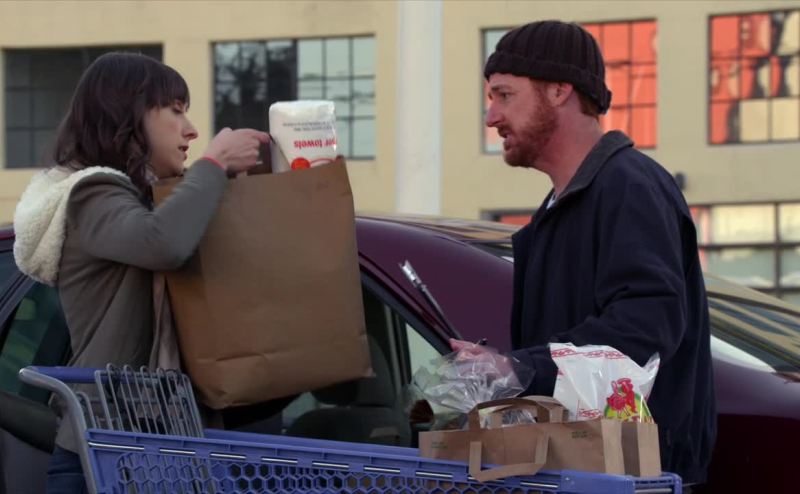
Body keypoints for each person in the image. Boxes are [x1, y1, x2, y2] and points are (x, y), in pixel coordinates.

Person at [451, 21, 716, 486]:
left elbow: (645, 325)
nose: (491, 117)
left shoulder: (629, 187)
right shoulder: (562, 206)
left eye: (504, 95)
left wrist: (519, 368)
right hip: (586, 468)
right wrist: (510, 368)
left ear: (559, 90)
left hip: (633, 475)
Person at [12, 52, 269, 493]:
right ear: (127, 115)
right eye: (175, 110)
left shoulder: (149, 200)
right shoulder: (92, 194)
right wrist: (213, 164)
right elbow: (162, 243)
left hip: (158, 449)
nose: (191, 130)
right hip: (104, 458)